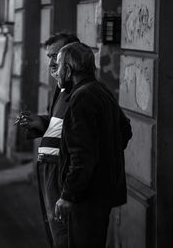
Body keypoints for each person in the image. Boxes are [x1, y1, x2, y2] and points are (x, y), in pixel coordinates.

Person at [54, 42, 132, 248]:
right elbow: (125, 130)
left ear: (69, 70)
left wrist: (68, 195)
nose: (56, 73)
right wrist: (107, 156)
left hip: (87, 196)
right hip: (101, 192)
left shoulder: (81, 98)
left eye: (59, 67)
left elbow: (82, 155)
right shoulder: (100, 90)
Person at [16, 33, 80, 248]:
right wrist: (40, 122)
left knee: (64, 232)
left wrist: (69, 192)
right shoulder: (61, 87)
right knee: (54, 228)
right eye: (49, 57)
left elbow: (83, 144)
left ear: (71, 57)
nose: (52, 63)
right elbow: (61, 124)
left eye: (56, 56)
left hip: (62, 171)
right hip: (50, 169)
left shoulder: (82, 92)